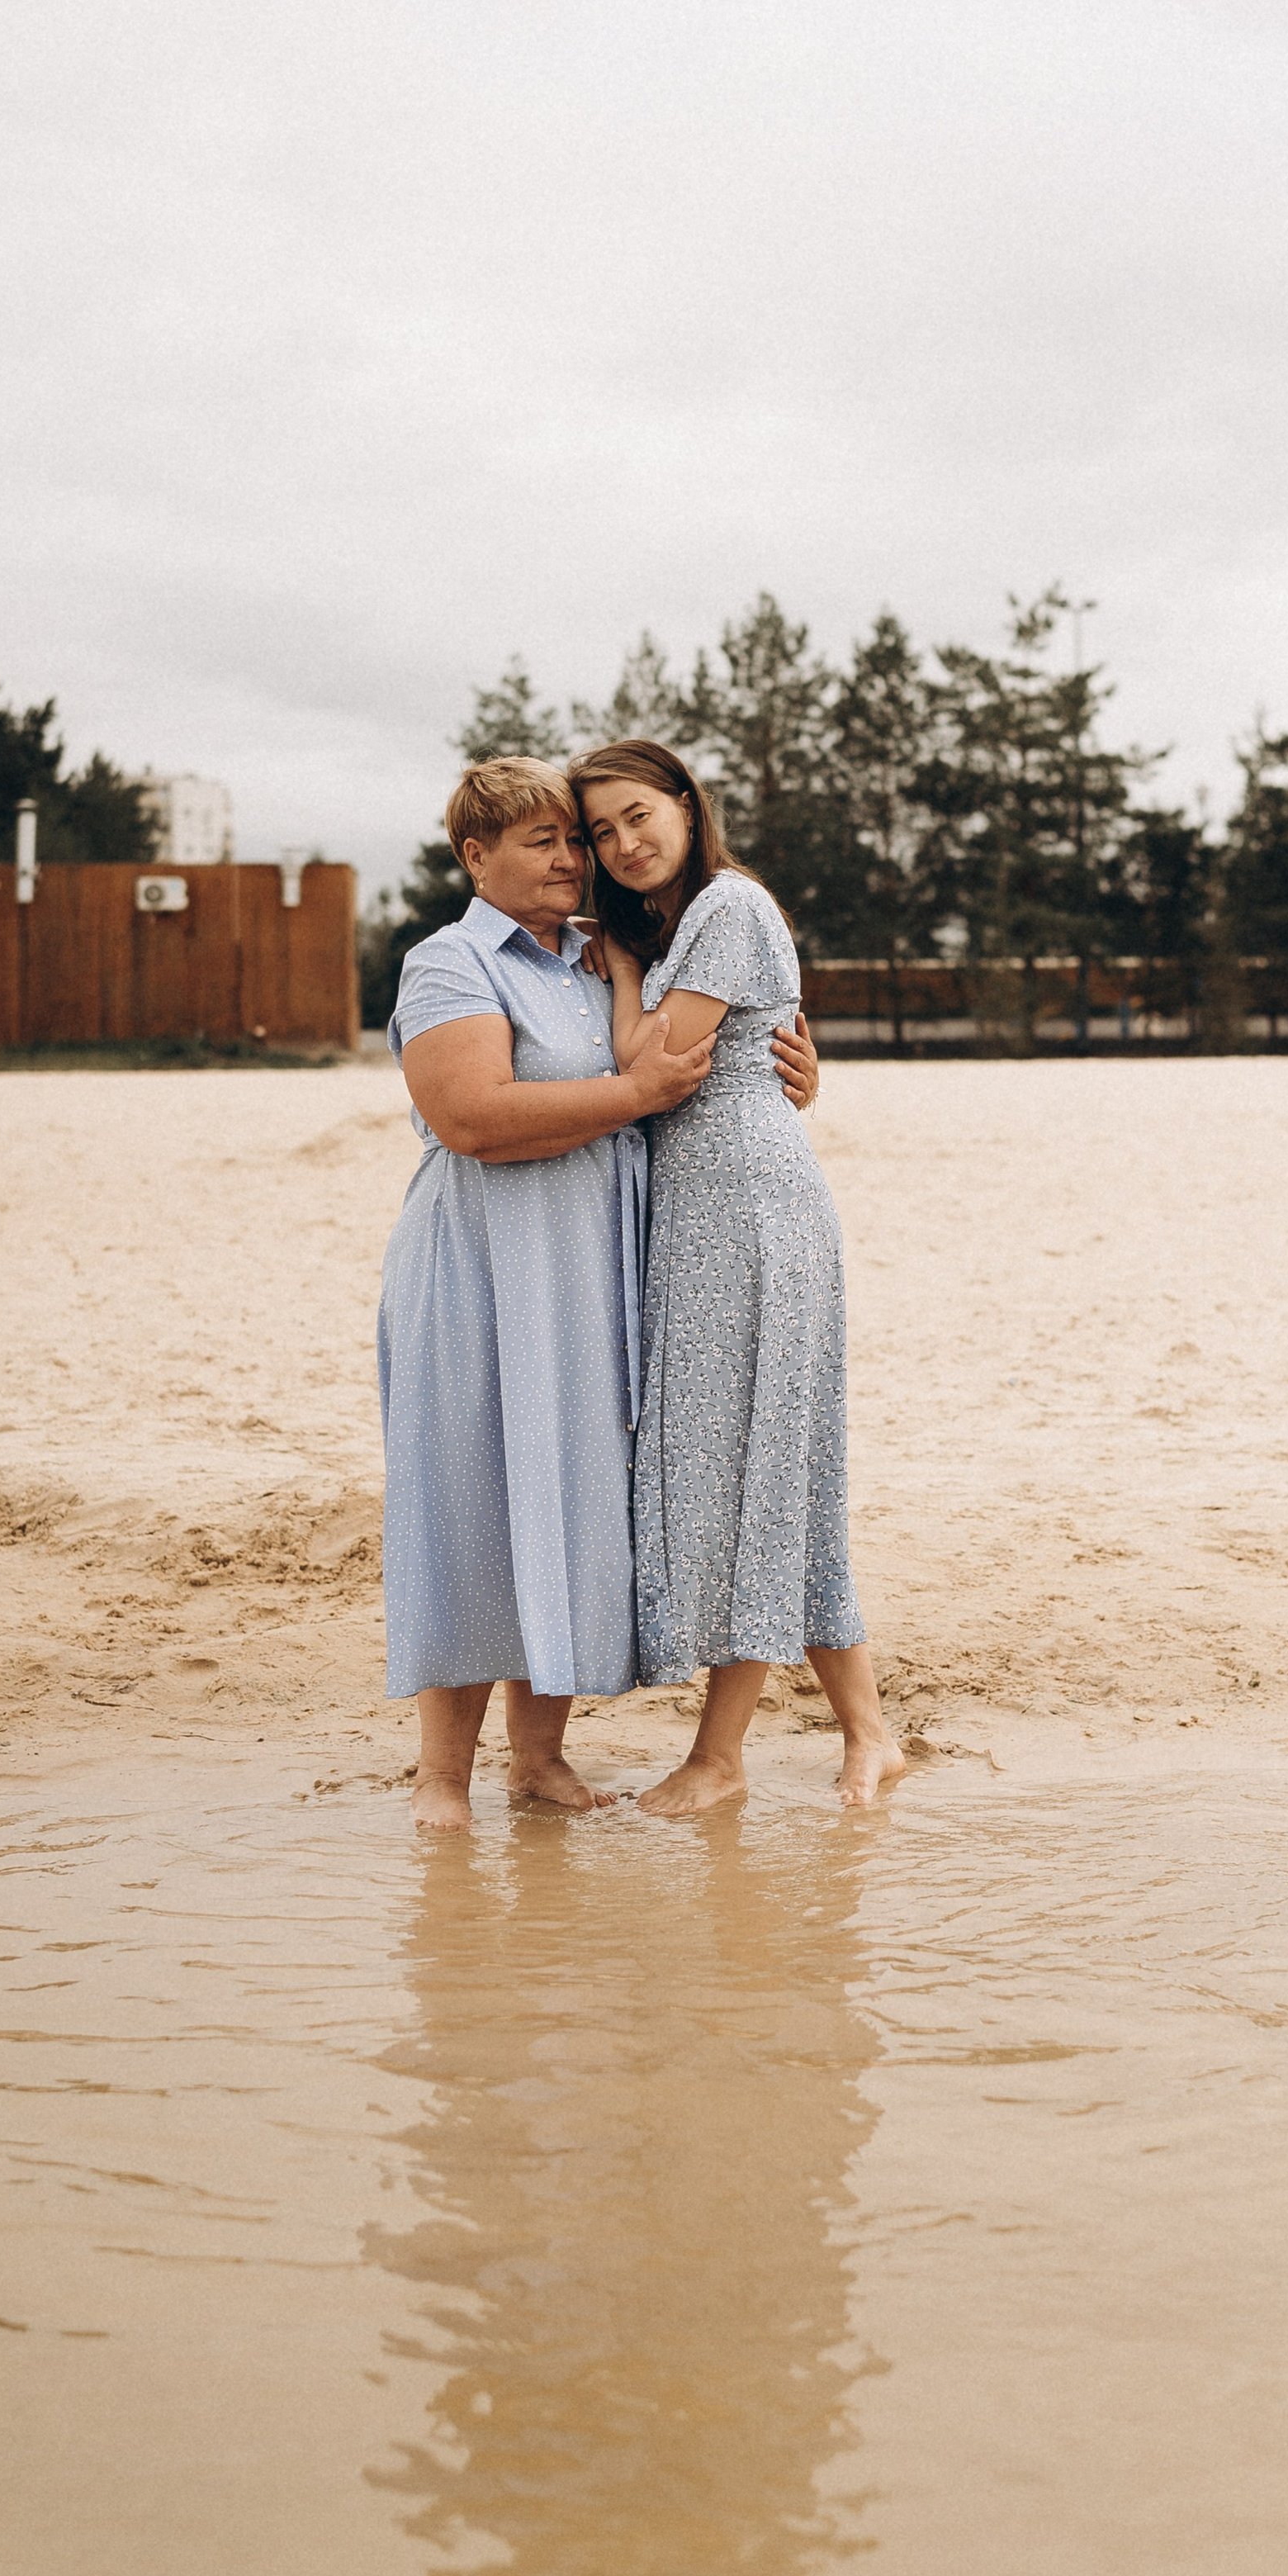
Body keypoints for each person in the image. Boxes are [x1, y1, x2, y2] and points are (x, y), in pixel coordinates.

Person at [380, 755, 820, 1832]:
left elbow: (718, 1056)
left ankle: (539, 1759)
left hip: (596, 1265)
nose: (574, 859)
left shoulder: (599, 957)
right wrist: (630, 1092)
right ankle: (443, 1774)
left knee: (568, 1500)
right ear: (476, 855)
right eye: (546, 842)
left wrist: (793, 1078)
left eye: (576, 840)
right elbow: (473, 1117)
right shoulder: (449, 963)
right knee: (470, 1499)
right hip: (483, 1262)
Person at [571, 738, 904, 1813]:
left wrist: (625, 973)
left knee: (755, 1474)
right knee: (779, 1474)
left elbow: (650, 1068)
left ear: (685, 802)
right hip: (703, 1215)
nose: (625, 844)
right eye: (601, 832)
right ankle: (870, 1734)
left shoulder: (727, 905)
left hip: (750, 1215)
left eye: (638, 815)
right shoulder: (683, 925)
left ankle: (719, 1759)